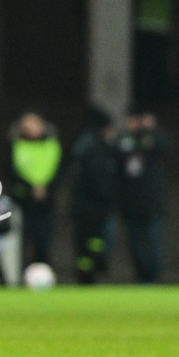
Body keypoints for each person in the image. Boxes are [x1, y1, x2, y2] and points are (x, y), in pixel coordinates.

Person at [114, 106, 168, 283]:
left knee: (152, 243)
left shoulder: (152, 138)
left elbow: (167, 147)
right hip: (130, 204)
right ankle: (140, 278)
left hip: (151, 204)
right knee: (135, 245)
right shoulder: (123, 139)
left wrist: (152, 129)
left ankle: (152, 278)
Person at [68, 105, 117, 284]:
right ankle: (89, 273)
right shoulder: (96, 150)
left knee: (88, 245)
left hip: (84, 208)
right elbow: (98, 181)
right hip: (94, 209)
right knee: (94, 242)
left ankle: (87, 272)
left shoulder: (82, 146)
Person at [8, 111, 62, 268]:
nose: (30, 129)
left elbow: (59, 170)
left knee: (43, 243)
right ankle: (18, 277)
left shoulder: (52, 145)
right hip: (24, 201)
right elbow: (11, 172)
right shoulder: (16, 145)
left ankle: (43, 275)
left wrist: (46, 188)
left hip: (46, 202)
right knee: (21, 243)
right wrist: (31, 188)